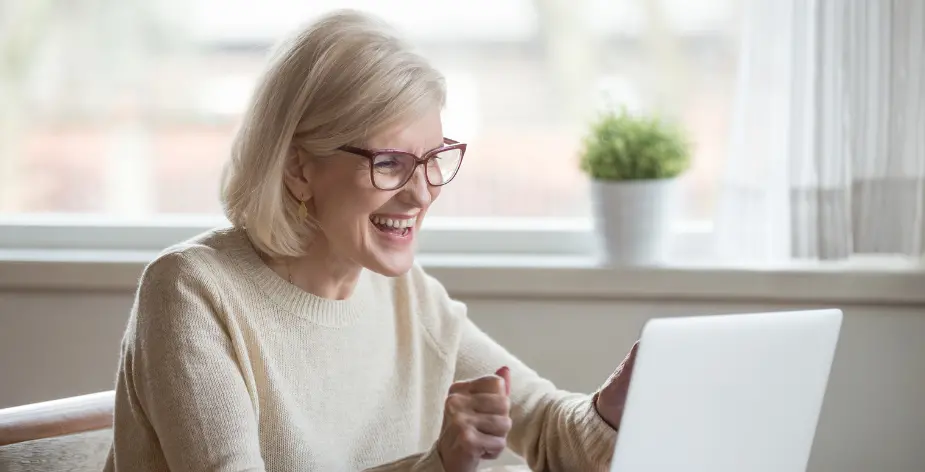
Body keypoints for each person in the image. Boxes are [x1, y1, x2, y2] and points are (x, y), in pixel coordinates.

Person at [103, 9, 638, 472]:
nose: (421, 194)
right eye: (389, 163)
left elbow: (547, 429)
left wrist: (615, 406)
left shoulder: (407, 297)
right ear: (298, 169)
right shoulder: (191, 292)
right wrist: (438, 464)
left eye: (432, 159)